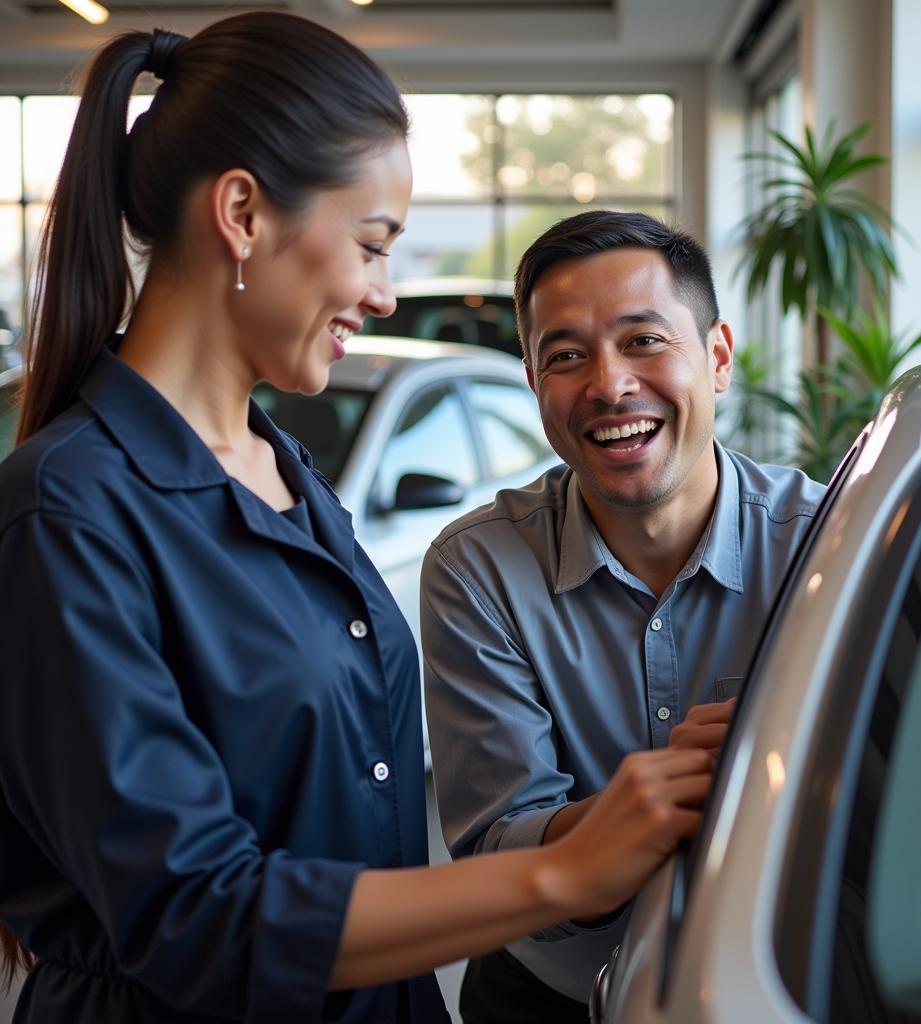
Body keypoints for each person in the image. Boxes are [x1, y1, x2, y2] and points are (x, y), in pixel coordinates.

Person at [0, 21, 717, 1024]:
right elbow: (199, 915)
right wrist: (564, 875)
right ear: (243, 212)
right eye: (374, 246)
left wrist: (610, 819)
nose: (384, 295)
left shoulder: (289, 475)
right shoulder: (68, 512)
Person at [421, 210, 827, 1023]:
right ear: (536, 386)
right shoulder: (478, 568)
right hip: (549, 992)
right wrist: (644, 806)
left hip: (781, 982)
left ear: (716, 357)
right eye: (566, 356)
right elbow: (499, 841)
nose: (608, 385)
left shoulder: (825, 544)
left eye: (644, 341)